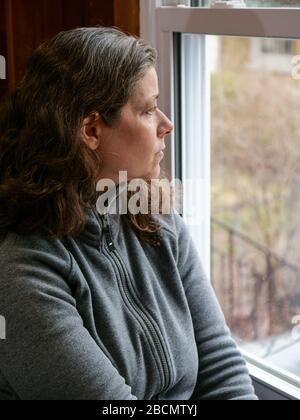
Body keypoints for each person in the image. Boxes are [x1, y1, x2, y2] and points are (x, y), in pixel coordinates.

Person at [0, 26, 258, 400]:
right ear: (91, 129)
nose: (167, 125)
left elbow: (221, 368)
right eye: (149, 110)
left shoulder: (154, 215)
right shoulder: (21, 269)